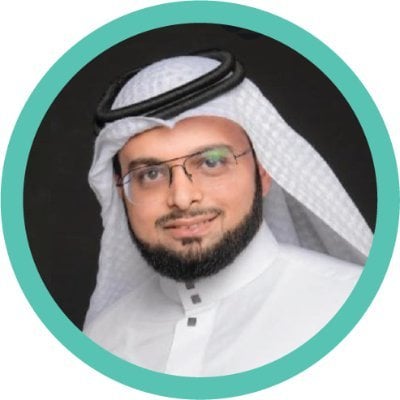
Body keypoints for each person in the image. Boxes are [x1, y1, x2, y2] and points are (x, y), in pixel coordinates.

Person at [83, 50, 373, 376]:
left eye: (211, 162)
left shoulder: (359, 312)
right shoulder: (100, 342)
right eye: (150, 174)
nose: (182, 198)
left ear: (263, 171)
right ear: (120, 189)